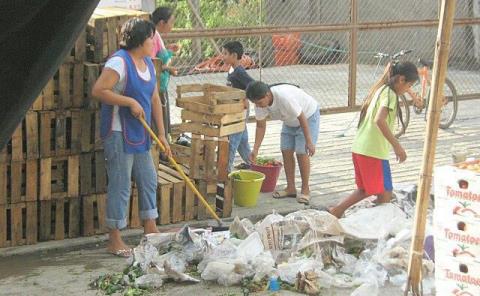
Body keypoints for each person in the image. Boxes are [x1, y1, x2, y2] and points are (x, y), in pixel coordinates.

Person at [92, 18, 171, 257]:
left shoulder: (147, 62)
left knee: (148, 178)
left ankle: (150, 227)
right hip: (118, 132)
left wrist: (162, 133)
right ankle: (114, 238)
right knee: (121, 184)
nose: (154, 42)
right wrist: (128, 101)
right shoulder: (119, 62)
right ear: (139, 40)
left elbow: (155, 98)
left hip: (141, 132)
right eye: (151, 38)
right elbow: (98, 91)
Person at [329, 61, 419, 218]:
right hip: (372, 152)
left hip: (361, 148)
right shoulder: (390, 94)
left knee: (379, 191)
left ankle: (343, 212)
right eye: (409, 85)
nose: (407, 90)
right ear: (401, 80)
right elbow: (380, 120)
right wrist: (397, 146)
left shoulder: (382, 89)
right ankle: (337, 210)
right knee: (377, 192)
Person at [246, 81, 320, 204]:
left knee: (302, 152)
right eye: (255, 103)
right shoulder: (259, 104)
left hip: (308, 116)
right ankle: (290, 188)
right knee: (286, 150)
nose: (258, 106)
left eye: (259, 103)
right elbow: (260, 126)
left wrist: (309, 141)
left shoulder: (284, 97)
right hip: (289, 120)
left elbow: (301, 117)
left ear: (267, 95)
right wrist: (255, 149)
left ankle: (305, 190)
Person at [221, 41, 254, 171]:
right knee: (242, 141)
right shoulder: (231, 69)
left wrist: (245, 98)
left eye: (225, 54)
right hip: (233, 109)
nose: (222, 56)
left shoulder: (239, 71)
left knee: (233, 141)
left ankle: (226, 170)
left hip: (240, 110)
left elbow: (252, 85)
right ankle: (253, 164)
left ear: (234, 55)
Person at [151, 6, 180, 135]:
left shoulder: (155, 35)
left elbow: (157, 55)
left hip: (160, 86)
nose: (172, 26)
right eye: (171, 22)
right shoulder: (153, 36)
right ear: (162, 23)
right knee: (159, 124)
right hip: (156, 88)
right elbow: (151, 63)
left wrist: (167, 48)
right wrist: (169, 68)